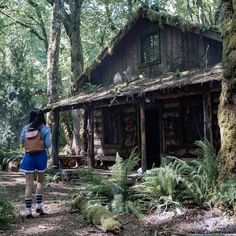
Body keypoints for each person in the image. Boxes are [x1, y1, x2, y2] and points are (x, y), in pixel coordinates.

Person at [19, 108, 51, 219]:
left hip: (28, 157)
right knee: (40, 182)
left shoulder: (25, 128)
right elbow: (48, 145)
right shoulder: (45, 129)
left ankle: (28, 211)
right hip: (41, 157)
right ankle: (38, 207)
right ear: (42, 117)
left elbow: (21, 143)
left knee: (28, 184)